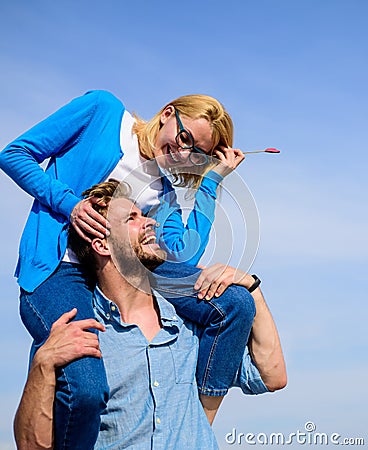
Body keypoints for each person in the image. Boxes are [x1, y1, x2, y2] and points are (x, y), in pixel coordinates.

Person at [0, 90, 256, 449]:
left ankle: (195, 422)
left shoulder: (165, 190)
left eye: (196, 153)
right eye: (184, 139)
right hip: (63, 270)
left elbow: (181, 251)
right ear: (168, 114)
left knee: (234, 304)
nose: (184, 154)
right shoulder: (102, 113)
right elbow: (14, 154)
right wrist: (70, 204)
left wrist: (212, 181)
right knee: (86, 387)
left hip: (127, 271)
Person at [14, 181, 287, 450]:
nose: (150, 223)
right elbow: (31, 445)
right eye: (132, 218)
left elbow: (272, 376)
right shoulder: (75, 335)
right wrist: (42, 365)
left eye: (143, 215)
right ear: (102, 246)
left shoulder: (190, 323)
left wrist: (253, 291)